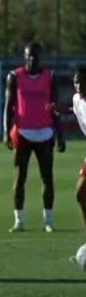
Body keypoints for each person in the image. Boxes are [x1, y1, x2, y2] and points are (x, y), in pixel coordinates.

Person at [4, 41, 65, 233]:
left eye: (36, 56)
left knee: (47, 178)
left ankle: (48, 220)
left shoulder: (50, 77)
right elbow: (8, 107)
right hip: (22, 133)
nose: (32, 59)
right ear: (24, 57)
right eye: (29, 56)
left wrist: (60, 134)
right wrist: (6, 132)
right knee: (20, 178)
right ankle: (19, 220)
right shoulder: (14, 77)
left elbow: (55, 109)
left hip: (45, 133)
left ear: (41, 57)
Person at [70, 67, 86, 234]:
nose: (79, 86)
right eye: (76, 82)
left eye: (83, 82)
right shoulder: (76, 100)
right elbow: (77, 110)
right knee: (81, 194)